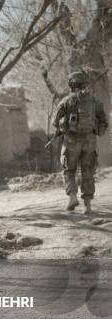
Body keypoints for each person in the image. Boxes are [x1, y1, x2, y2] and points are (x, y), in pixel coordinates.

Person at [53, 70, 108, 214]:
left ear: (71, 85)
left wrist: (64, 125)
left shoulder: (66, 101)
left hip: (71, 141)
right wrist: (96, 130)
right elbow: (104, 122)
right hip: (89, 141)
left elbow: (55, 122)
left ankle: (72, 197)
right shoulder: (95, 102)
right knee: (87, 171)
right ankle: (87, 205)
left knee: (68, 170)